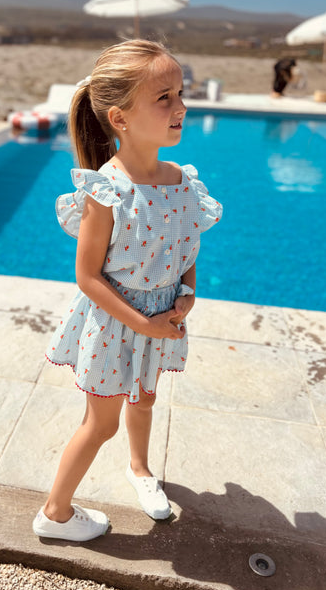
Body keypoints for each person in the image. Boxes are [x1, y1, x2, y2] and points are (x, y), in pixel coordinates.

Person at [33, 40, 222, 542]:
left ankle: (141, 470)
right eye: (164, 98)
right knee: (102, 424)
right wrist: (142, 323)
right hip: (116, 326)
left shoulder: (184, 183)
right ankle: (54, 513)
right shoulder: (107, 190)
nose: (181, 107)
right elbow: (88, 277)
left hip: (160, 320)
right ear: (120, 118)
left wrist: (187, 292)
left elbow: (186, 250)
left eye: (180, 94)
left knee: (144, 400)